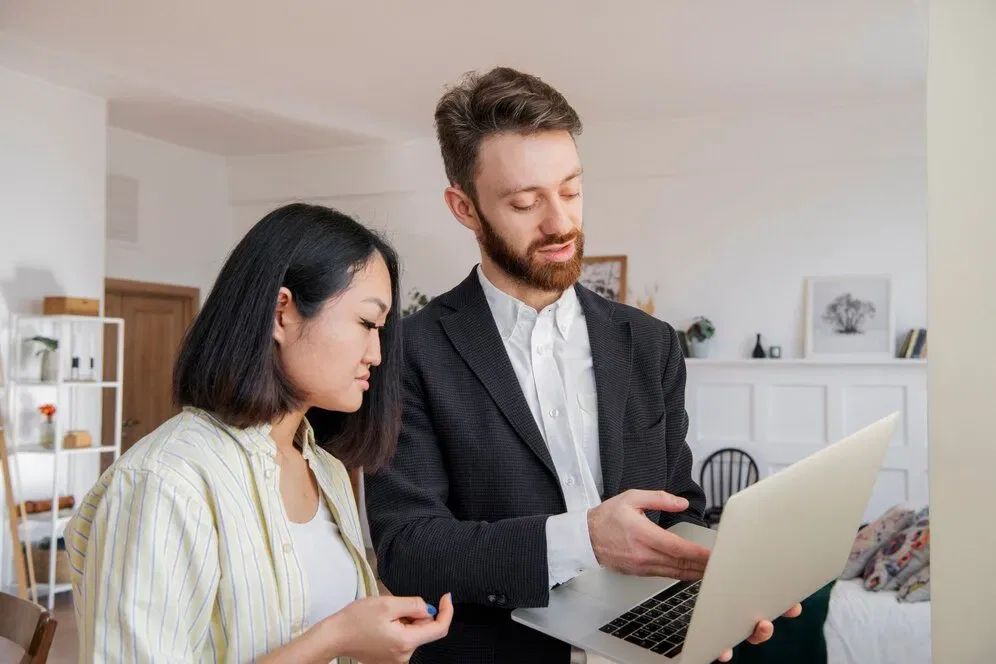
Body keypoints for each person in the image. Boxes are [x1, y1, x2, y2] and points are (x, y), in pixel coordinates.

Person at [362, 67, 801, 663]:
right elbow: (410, 549)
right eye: (525, 202)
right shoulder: (408, 353)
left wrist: (708, 589)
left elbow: (678, 507)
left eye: (570, 190)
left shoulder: (650, 344)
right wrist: (584, 540)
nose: (560, 223)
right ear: (464, 208)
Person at [65, 203, 453, 664]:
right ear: (281, 312)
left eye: (381, 330)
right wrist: (335, 638)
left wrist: (375, 639)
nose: (376, 353)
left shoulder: (326, 471)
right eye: (367, 324)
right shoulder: (164, 482)